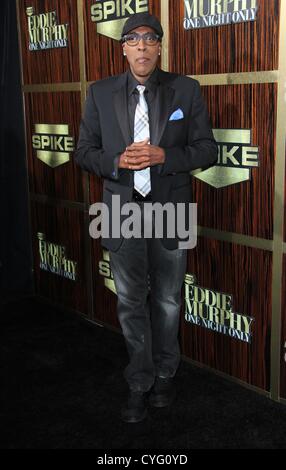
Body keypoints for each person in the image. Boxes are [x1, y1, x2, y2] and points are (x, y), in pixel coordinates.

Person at [75, 12, 218, 423]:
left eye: (150, 38)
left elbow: (207, 149)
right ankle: (139, 381)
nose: (142, 46)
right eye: (133, 39)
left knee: (170, 301)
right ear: (122, 47)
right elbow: (83, 151)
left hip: (170, 208)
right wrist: (117, 161)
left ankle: (165, 373)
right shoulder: (99, 92)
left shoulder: (185, 90)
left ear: (159, 46)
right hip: (121, 210)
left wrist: (165, 156)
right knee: (130, 303)